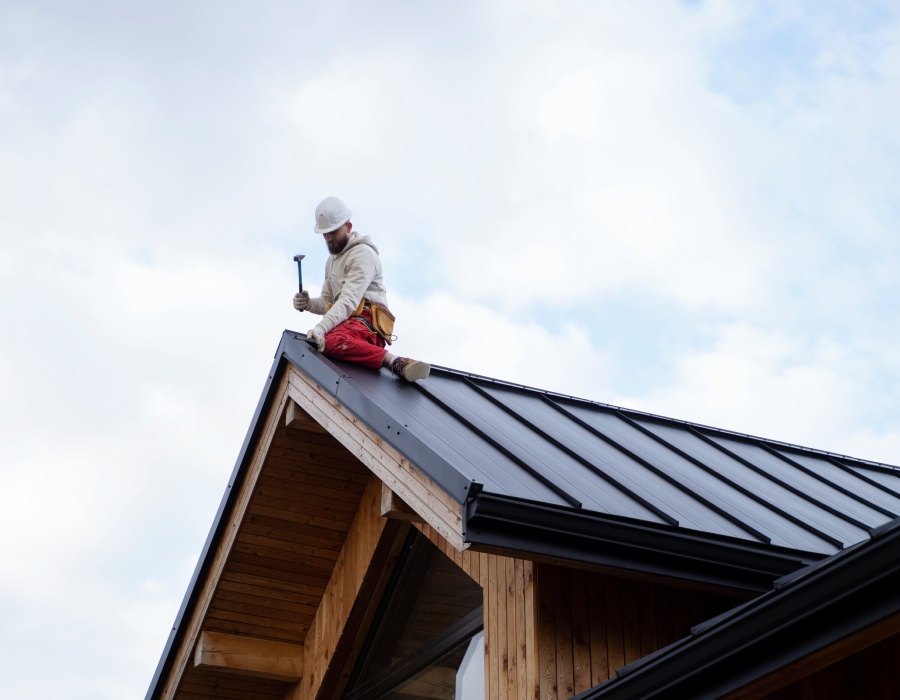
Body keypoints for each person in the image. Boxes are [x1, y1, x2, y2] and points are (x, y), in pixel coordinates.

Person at [293, 196, 431, 382]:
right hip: (346, 322)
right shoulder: (331, 262)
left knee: (330, 341)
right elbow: (329, 302)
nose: (328, 238)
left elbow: (348, 301)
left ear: (348, 227)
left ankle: (397, 362)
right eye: (325, 234)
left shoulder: (363, 255)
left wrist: (321, 328)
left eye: (333, 232)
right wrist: (309, 304)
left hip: (367, 323)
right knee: (322, 343)